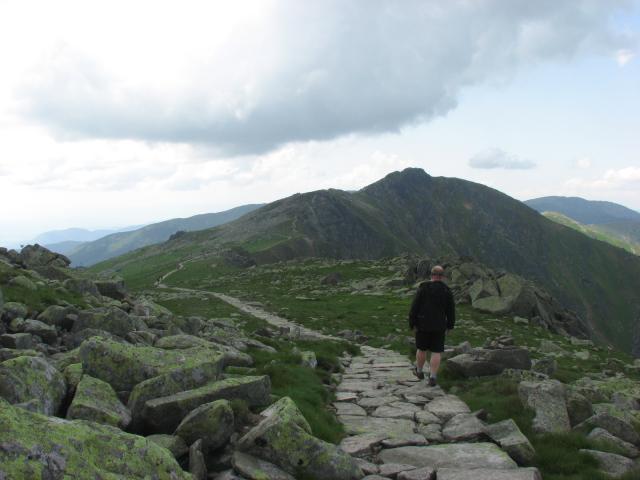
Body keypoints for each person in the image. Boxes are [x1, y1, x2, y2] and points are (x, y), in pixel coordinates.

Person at [408, 265, 455, 386]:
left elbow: (415, 307)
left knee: (421, 349)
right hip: (439, 325)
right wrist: (450, 325)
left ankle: (419, 371)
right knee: (436, 351)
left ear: (431, 275)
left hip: (422, 323)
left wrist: (412, 323)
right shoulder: (446, 290)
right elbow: (451, 310)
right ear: (442, 276)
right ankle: (433, 377)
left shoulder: (423, 288)